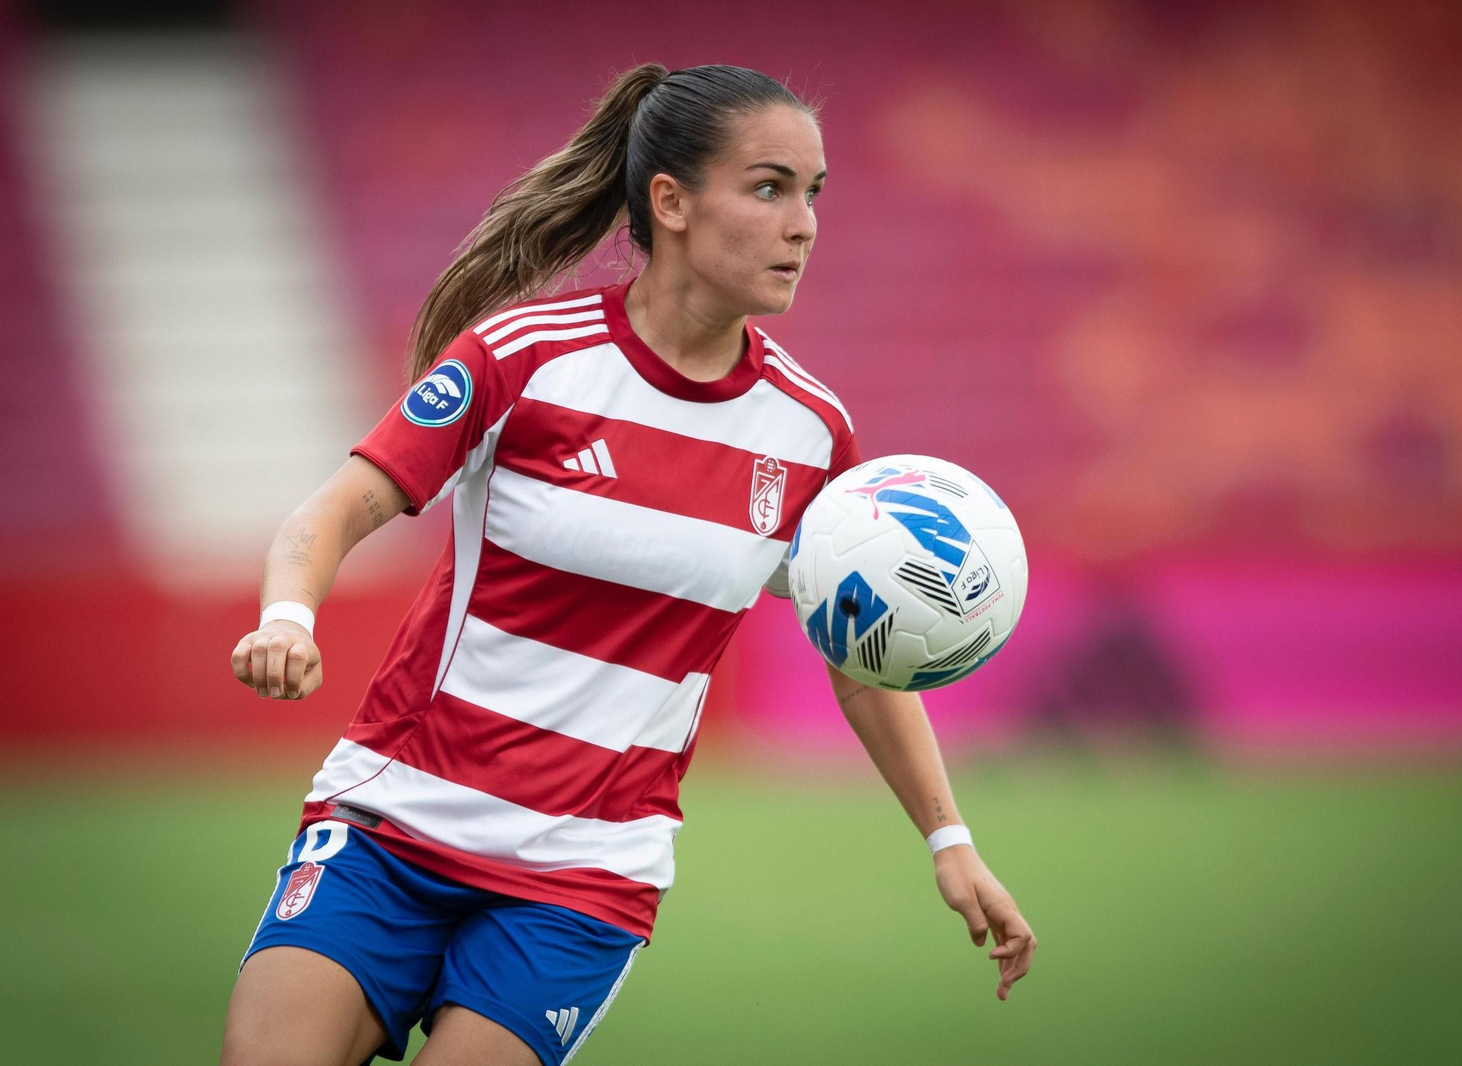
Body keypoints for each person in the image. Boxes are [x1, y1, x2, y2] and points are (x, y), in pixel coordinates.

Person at [220, 62, 1036, 1066]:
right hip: (389, 822)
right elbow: (337, 509)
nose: (804, 225)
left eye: (813, 193)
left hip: (582, 876)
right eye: (770, 187)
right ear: (671, 202)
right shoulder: (523, 357)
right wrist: (287, 617)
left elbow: (861, 661)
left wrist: (950, 843)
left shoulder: (812, 432)